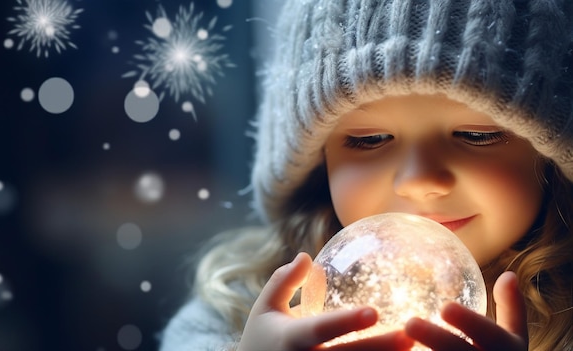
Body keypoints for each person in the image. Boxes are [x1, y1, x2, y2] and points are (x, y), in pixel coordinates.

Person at [160, 0, 573, 350]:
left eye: (475, 135)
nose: (419, 179)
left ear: (552, 152)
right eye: (370, 139)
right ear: (316, 162)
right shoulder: (233, 310)